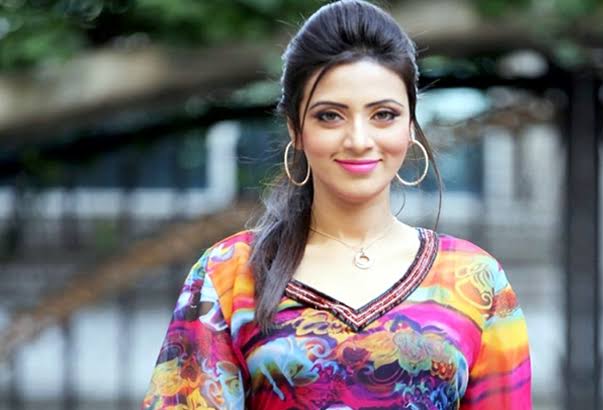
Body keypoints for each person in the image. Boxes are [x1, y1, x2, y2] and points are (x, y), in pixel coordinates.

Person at [142, 1, 531, 408]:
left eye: (384, 114)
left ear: (410, 126)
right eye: (330, 116)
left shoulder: (477, 281)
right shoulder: (228, 275)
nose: (359, 140)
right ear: (296, 129)